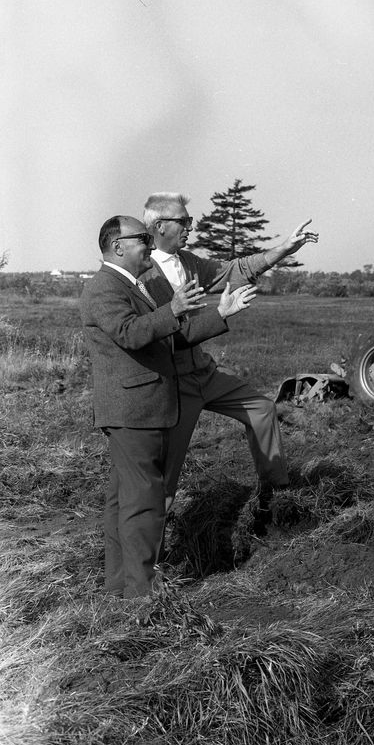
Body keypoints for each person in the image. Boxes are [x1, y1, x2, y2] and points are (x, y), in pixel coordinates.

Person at [81, 215, 256, 598]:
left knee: (123, 501)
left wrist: (220, 314)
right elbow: (131, 334)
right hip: (133, 413)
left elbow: (172, 337)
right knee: (144, 503)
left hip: (143, 409)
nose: (149, 243)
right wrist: (173, 308)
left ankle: (119, 588)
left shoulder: (136, 284)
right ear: (118, 247)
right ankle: (141, 598)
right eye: (142, 238)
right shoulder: (104, 288)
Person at [140, 192, 319, 519]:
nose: (189, 227)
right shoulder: (142, 274)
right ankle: (151, 556)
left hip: (204, 372)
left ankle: (275, 496)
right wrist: (218, 314)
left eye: (189, 220)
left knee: (262, 409)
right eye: (183, 221)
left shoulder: (189, 262)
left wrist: (282, 249)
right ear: (158, 226)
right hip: (173, 385)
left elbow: (235, 269)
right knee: (166, 474)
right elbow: (154, 335)